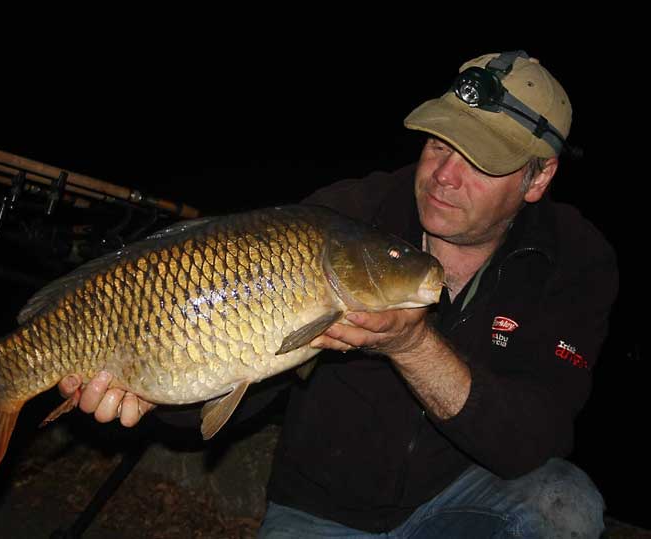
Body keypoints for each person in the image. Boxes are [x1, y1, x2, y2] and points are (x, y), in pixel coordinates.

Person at [58, 51, 617, 537]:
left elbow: (530, 439)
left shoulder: (573, 260)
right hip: (321, 511)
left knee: (566, 504)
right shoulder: (345, 218)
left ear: (537, 178)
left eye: (480, 162)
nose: (444, 175)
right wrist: (155, 388)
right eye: (439, 143)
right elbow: (236, 361)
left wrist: (413, 346)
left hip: (464, 499)